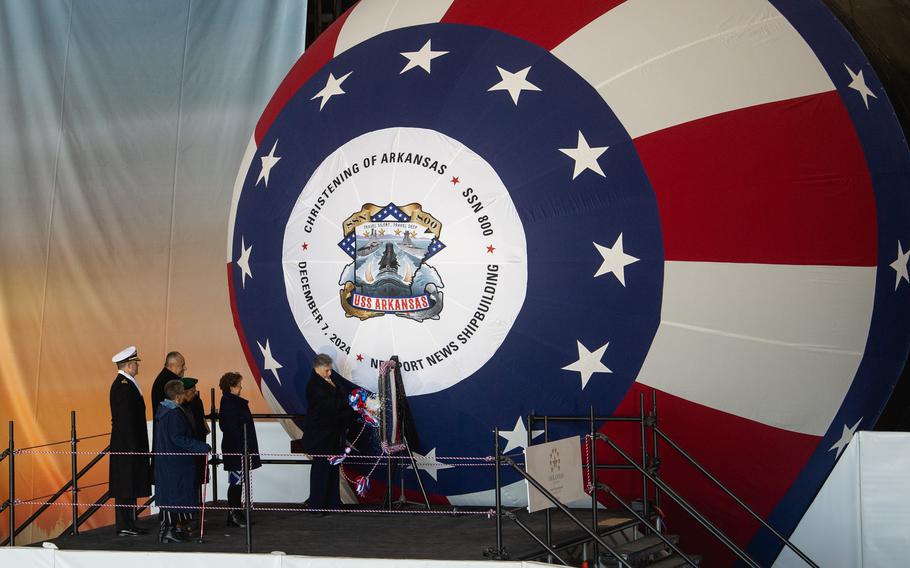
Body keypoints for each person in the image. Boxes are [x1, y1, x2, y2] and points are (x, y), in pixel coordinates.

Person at [154, 379, 210, 543]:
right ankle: (169, 532)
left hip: (168, 461)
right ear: (179, 396)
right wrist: (201, 446)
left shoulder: (163, 410)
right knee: (176, 496)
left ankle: (172, 530)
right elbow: (178, 438)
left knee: (171, 496)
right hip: (177, 462)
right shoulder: (174, 413)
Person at [299, 354, 356, 513]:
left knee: (332, 469)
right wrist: (351, 401)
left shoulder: (330, 381)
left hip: (333, 434)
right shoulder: (314, 386)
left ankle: (332, 502)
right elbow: (331, 405)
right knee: (321, 470)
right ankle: (317, 505)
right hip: (321, 435)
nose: (330, 373)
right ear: (318, 368)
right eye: (327, 370)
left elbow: (339, 399)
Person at [108, 346, 151, 536]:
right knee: (125, 484)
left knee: (130, 483)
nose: (137, 366)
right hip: (127, 444)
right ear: (129, 365)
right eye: (135, 363)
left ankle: (130, 522)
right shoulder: (123, 386)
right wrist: (133, 445)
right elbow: (125, 420)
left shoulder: (127, 383)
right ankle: (124, 524)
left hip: (129, 443)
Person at [218, 372, 261, 527]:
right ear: (231, 386)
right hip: (236, 450)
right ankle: (234, 513)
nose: (241, 387)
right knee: (236, 482)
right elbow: (230, 427)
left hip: (239, 449)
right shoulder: (229, 402)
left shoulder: (231, 401)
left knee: (238, 482)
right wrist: (243, 445)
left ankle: (236, 512)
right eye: (238, 384)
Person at [150, 352, 186, 479]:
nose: (184, 369)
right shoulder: (169, 382)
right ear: (172, 366)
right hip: (170, 442)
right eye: (182, 365)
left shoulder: (164, 379)